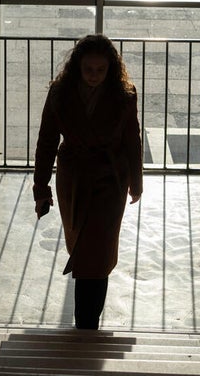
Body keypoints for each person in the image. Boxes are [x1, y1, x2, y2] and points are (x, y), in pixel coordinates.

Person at [33, 34, 143, 329]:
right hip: (74, 181)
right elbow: (46, 141)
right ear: (77, 67)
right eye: (88, 70)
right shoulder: (59, 94)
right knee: (83, 247)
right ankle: (87, 323)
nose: (94, 76)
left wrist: (136, 181)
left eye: (100, 70)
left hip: (111, 180)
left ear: (111, 69)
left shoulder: (124, 94)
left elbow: (132, 139)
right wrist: (40, 189)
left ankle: (86, 322)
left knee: (98, 251)